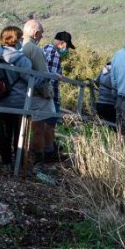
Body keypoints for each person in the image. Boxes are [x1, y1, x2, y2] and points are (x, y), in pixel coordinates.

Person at [0, 26, 32, 172]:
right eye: (20, 38)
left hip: (2, 98)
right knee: (19, 133)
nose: (22, 41)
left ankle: (6, 162)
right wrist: (47, 79)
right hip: (19, 100)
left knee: (5, 131)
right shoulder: (21, 59)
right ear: (15, 39)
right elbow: (30, 79)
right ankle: (19, 164)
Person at [20, 19, 56, 161]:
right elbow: (43, 74)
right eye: (41, 34)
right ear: (36, 33)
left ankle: (31, 156)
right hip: (37, 96)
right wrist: (48, 93)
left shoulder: (21, 46)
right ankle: (41, 157)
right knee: (40, 128)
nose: (41, 37)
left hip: (25, 92)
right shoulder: (34, 49)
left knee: (31, 128)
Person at [41, 31, 75, 161]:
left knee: (43, 124)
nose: (66, 50)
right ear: (63, 43)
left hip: (43, 94)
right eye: (67, 47)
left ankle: (43, 149)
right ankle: (48, 152)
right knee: (50, 124)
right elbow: (51, 77)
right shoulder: (54, 53)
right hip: (50, 95)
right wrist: (58, 76)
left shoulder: (45, 48)